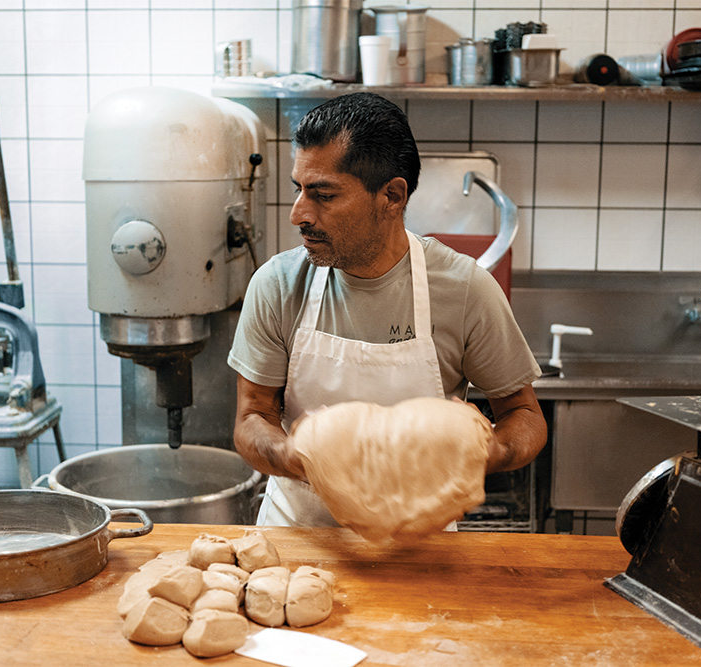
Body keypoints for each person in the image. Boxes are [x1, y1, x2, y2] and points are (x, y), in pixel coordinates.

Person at [227, 92, 546, 527]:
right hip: (299, 540)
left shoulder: (465, 289)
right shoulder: (277, 285)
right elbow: (252, 415)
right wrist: (294, 456)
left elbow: (524, 415)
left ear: (392, 196)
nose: (298, 214)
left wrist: (489, 451)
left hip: (421, 547)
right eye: (299, 190)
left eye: (323, 194)